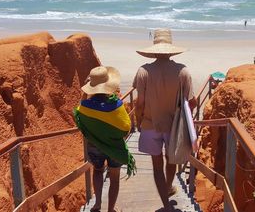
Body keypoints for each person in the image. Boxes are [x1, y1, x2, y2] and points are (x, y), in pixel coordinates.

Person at [133, 29, 196, 212]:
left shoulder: (143, 71)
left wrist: (138, 122)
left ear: (154, 48)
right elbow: (191, 102)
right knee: (171, 161)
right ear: (171, 49)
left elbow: (140, 103)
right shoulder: (183, 71)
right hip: (174, 126)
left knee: (156, 164)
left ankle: (166, 204)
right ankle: (168, 189)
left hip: (150, 124)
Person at [74, 66, 135, 212]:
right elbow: (126, 126)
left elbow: (78, 115)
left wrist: (84, 93)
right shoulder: (116, 105)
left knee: (97, 170)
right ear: (108, 85)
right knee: (114, 178)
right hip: (114, 146)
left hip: (95, 145)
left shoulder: (86, 106)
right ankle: (111, 209)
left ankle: (97, 204)